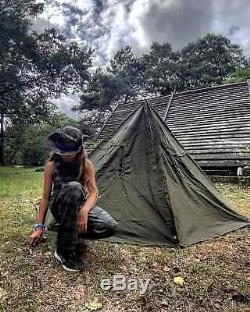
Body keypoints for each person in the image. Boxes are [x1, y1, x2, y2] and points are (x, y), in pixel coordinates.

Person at [28, 126, 117, 272]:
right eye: (62, 152)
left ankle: (71, 233)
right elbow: (45, 198)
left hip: (79, 204)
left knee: (109, 226)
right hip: (59, 205)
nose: (65, 155)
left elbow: (94, 193)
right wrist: (40, 227)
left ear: (79, 149)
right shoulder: (51, 165)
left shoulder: (86, 164)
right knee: (74, 187)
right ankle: (64, 251)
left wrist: (84, 210)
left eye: (69, 152)